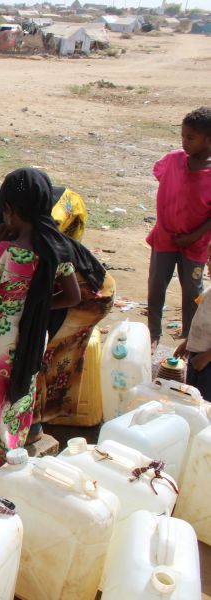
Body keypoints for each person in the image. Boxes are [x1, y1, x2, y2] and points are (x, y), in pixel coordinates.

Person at [0, 169, 81, 495]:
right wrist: (34, 305)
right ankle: (4, 468)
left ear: (9, 210)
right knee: (16, 400)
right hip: (33, 338)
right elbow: (72, 296)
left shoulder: (4, 253)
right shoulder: (57, 248)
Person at [0, 185, 116, 435]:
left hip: (90, 298)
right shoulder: (38, 235)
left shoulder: (38, 247)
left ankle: (33, 427)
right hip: (77, 293)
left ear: (10, 216)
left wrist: (34, 308)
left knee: (39, 354)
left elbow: (69, 295)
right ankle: (34, 421)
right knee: (37, 349)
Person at [146, 106, 211, 348]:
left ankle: (189, 338)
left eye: (191, 138)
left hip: (195, 244)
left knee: (191, 290)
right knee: (156, 285)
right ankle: (153, 333)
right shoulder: (173, 160)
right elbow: (164, 179)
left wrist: (193, 235)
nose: (184, 142)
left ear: (209, 139)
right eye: (183, 136)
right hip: (164, 237)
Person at [176, 269, 211, 400]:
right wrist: (187, 343)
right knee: (191, 397)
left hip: (207, 360)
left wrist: (206, 357)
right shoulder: (208, 291)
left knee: (205, 403)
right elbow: (198, 320)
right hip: (197, 355)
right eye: (209, 259)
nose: (208, 264)